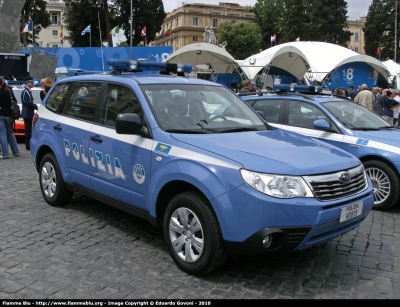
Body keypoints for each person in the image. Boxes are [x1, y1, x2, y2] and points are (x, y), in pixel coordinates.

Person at [0, 77, 20, 159]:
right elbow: (15, 101)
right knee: (11, 133)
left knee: (2, 134)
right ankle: (15, 151)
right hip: (9, 114)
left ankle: (5, 154)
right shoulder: (9, 91)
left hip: (0, 115)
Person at [21, 76, 38, 150]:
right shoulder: (25, 91)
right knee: (27, 130)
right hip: (27, 113)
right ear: (27, 82)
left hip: (29, 113)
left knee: (29, 129)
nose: (32, 84)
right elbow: (27, 102)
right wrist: (35, 106)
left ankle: (29, 144)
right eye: (31, 82)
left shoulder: (28, 91)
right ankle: (27, 145)